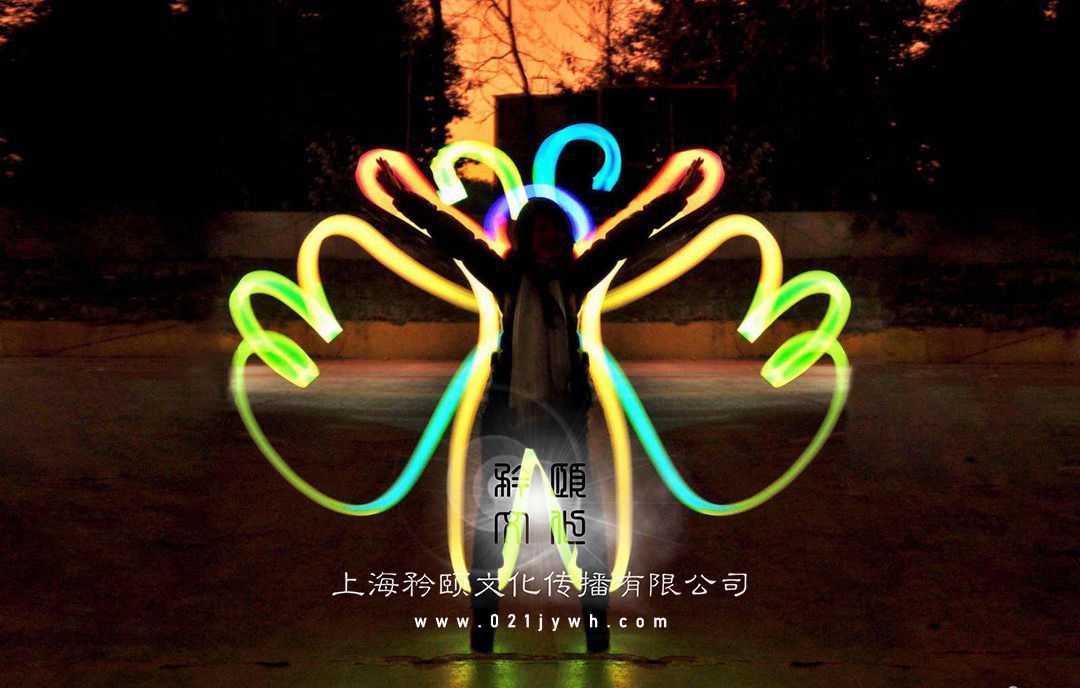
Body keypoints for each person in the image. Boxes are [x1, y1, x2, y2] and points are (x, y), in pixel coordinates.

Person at [375, 156, 704, 653]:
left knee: (580, 527)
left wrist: (677, 198)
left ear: (565, 236)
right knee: (495, 527)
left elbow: (626, 238)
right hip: (508, 420)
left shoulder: (576, 278)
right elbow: (453, 237)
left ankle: (596, 627)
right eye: (539, 230)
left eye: (555, 230)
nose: (548, 237)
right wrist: (402, 197)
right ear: (525, 237)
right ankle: (483, 628)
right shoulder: (505, 277)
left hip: (562, 424)